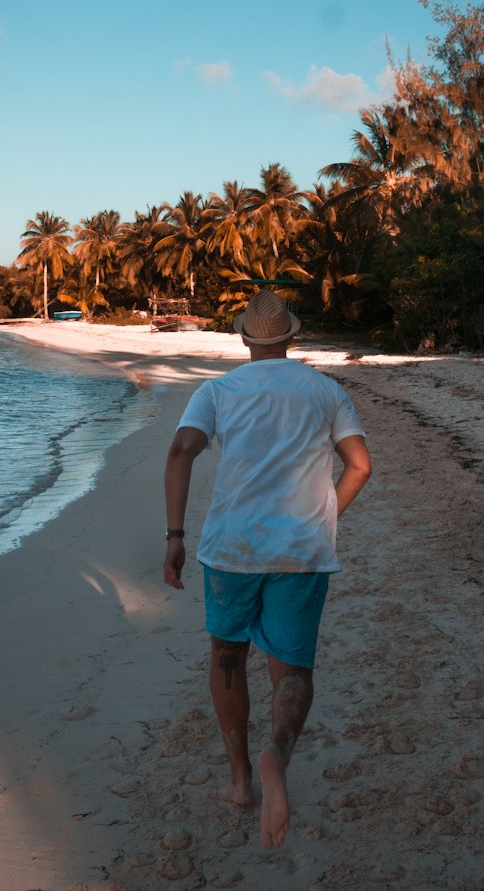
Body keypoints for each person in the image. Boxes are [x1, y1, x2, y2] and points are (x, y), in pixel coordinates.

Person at [162, 288, 371, 850]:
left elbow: (183, 449)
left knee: (227, 655)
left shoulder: (219, 390)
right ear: (291, 336)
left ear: (244, 337)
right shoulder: (326, 390)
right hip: (301, 553)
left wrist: (175, 535)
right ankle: (276, 752)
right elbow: (360, 464)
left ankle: (239, 780)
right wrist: (324, 515)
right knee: (292, 669)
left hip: (233, 550)